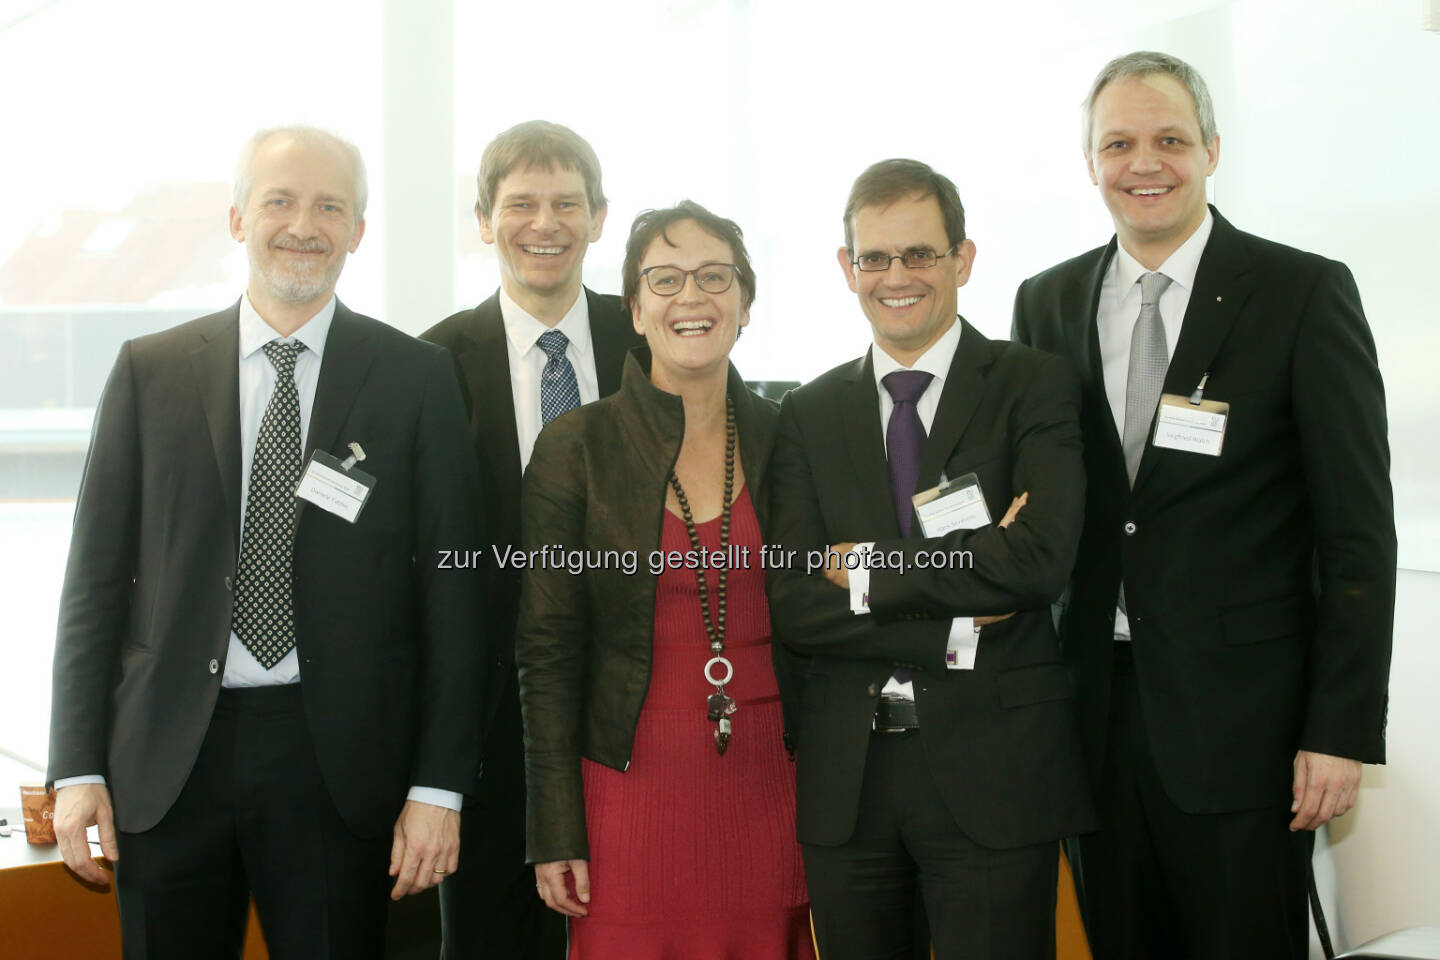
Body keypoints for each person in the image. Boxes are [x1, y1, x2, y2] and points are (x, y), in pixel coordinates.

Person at [47, 126, 490, 960]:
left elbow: (453, 596)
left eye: (330, 206)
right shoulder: (151, 371)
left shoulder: (416, 378)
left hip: (342, 770)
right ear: (237, 218)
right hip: (168, 765)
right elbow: (93, 585)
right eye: (280, 201)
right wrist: (75, 770)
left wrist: (439, 786)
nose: (304, 225)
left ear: (358, 230)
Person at [1011, 51, 1395, 959]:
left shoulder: (1301, 293)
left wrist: (1338, 732)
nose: (1146, 163)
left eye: (1171, 139)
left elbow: (1356, 534)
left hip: (1245, 734)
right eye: (1120, 143)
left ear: (1213, 150)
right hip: (1094, 723)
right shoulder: (1047, 302)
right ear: (1091, 162)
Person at [766, 158, 1094, 960]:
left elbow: (1037, 560)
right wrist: (956, 614)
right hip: (852, 784)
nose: (896, 276)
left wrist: (867, 572)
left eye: (919, 254)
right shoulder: (806, 412)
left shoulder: (1035, 386)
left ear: (963, 259)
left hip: (995, 774)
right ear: (847, 269)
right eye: (874, 258)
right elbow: (796, 602)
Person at [515, 201, 813, 959]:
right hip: (628, 783)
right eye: (667, 278)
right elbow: (546, 651)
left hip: (773, 787)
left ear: (746, 303)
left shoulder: (793, 437)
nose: (693, 296)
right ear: (636, 309)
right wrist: (555, 827)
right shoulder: (577, 447)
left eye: (715, 277)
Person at [420, 119, 640, 960]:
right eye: (520, 204)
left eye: (566, 203)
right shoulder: (430, 365)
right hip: (486, 732)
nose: (544, 223)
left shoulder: (652, 344)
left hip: (637, 716)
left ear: (598, 218)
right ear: (484, 220)